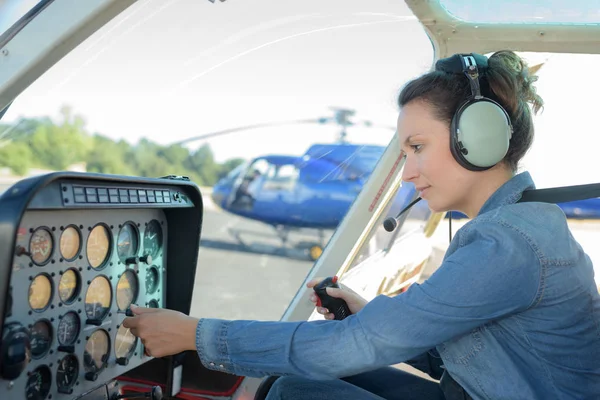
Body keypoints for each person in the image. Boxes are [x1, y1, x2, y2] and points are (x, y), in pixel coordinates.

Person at [122, 51, 600, 399]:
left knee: (295, 393)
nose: (408, 172)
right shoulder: (514, 226)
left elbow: (355, 348)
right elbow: (462, 357)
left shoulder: (508, 240)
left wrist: (196, 335)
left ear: (477, 140)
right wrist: (366, 312)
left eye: (416, 147)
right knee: (317, 379)